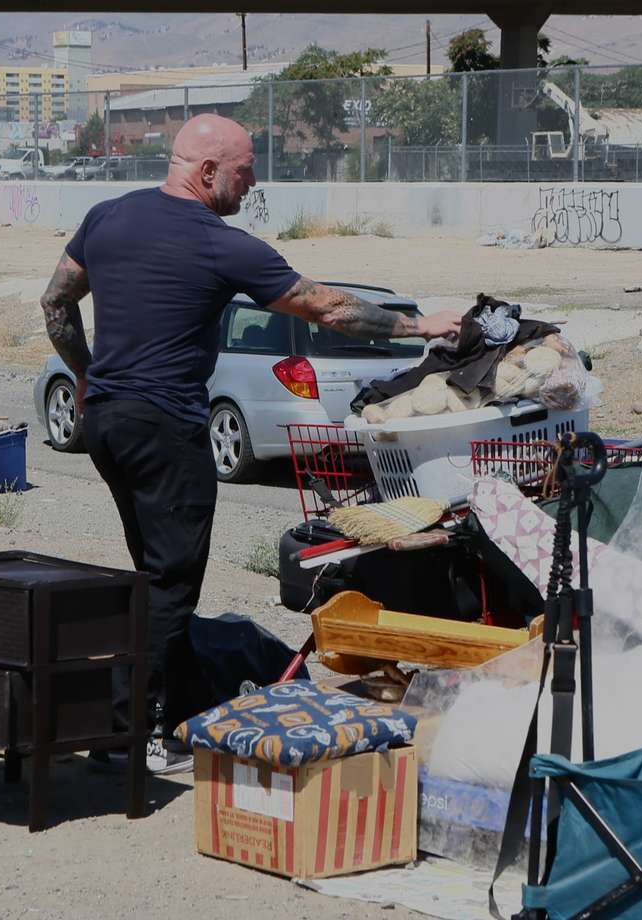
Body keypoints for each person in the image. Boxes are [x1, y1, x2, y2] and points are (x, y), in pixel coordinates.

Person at [40, 115, 460, 774]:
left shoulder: (106, 217)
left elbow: (56, 303)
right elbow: (328, 309)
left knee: (154, 577)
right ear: (207, 173)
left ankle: (169, 716)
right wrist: (418, 324)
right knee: (171, 585)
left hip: (110, 426)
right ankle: (132, 735)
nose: (254, 179)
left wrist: (88, 375)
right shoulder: (221, 244)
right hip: (166, 428)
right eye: (245, 169)